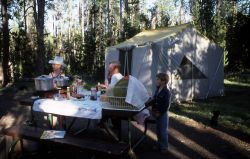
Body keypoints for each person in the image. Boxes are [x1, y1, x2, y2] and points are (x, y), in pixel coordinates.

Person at [152, 73, 171, 154]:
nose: (156, 80)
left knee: (163, 131)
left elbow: (166, 105)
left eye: (158, 79)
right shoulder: (157, 89)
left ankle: (164, 147)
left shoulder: (166, 92)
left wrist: (159, 112)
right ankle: (159, 144)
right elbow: (154, 100)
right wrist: (153, 110)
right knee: (158, 131)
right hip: (157, 113)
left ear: (163, 81)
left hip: (163, 114)